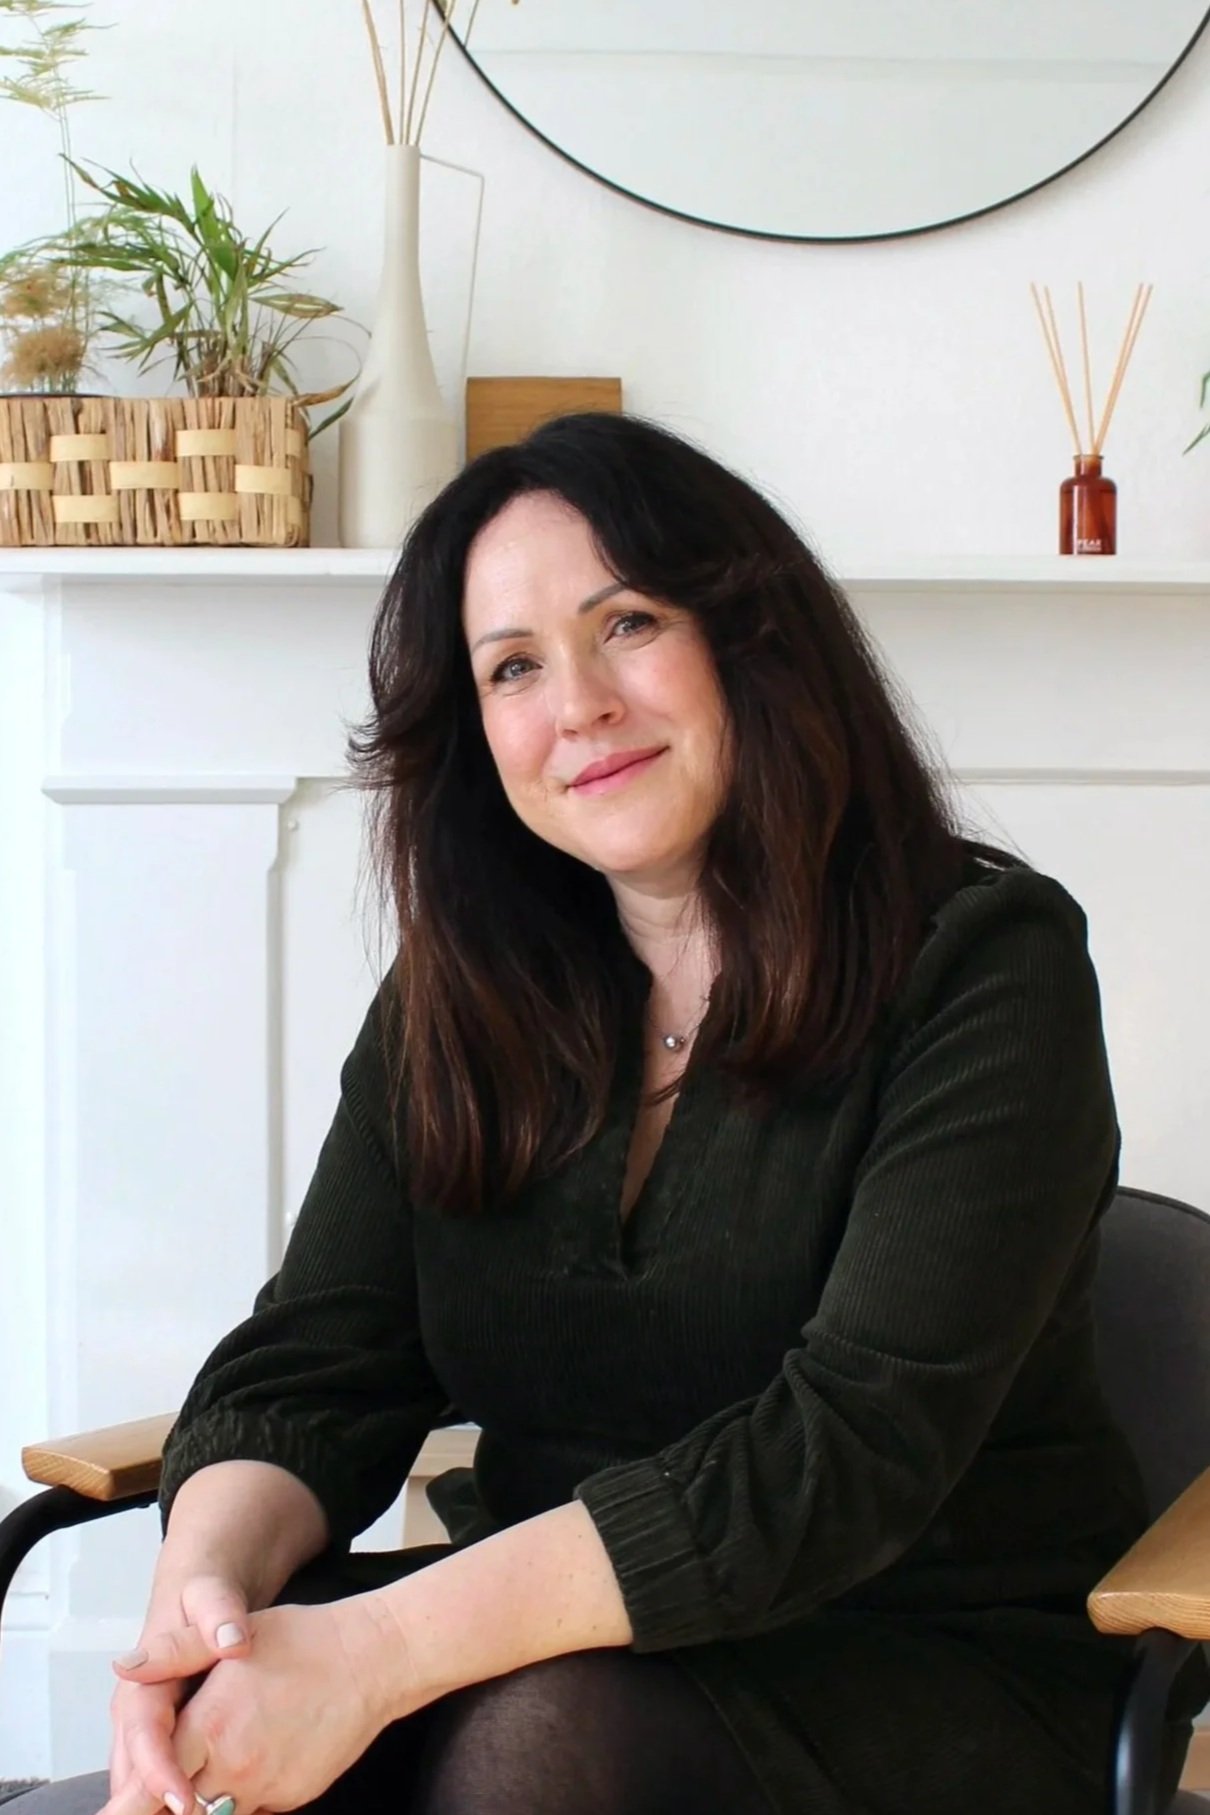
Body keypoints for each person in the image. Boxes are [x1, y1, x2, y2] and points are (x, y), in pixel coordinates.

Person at [21, 412, 1208, 1815]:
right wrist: (201, 1610)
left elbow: (838, 1460)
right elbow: (315, 1367)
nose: (574, 703)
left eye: (626, 623)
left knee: (535, 1740)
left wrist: (382, 1651)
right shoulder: (461, 996)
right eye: (512, 667)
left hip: (921, 1657)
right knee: (281, 1703)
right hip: (533, 1634)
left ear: (748, 638)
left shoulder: (980, 965)